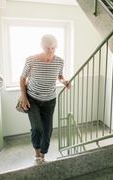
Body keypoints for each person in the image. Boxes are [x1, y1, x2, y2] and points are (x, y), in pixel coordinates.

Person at [20, 34, 70, 163]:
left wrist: (64, 81)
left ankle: (43, 155)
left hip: (50, 100)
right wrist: (24, 98)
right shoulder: (31, 60)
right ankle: (36, 152)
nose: (51, 50)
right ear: (42, 46)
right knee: (37, 128)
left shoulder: (59, 61)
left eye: (53, 48)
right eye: (48, 48)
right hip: (33, 99)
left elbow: (60, 76)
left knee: (48, 130)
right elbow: (22, 78)